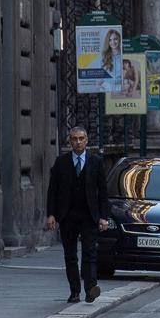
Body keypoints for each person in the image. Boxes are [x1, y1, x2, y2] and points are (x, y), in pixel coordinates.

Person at [47, 126, 109, 303]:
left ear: (87, 141)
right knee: (70, 255)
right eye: (74, 139)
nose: (78, 142)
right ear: (70, 141)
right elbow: (53, 190)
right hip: (68, 216)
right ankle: (74, 291)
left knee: (90, 253)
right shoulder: (61, 162)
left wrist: (104, 216)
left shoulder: (96, 161)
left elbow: (103, 192)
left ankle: (90, 288)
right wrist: (51, 214)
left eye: (81, 138)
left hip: (89, 215)